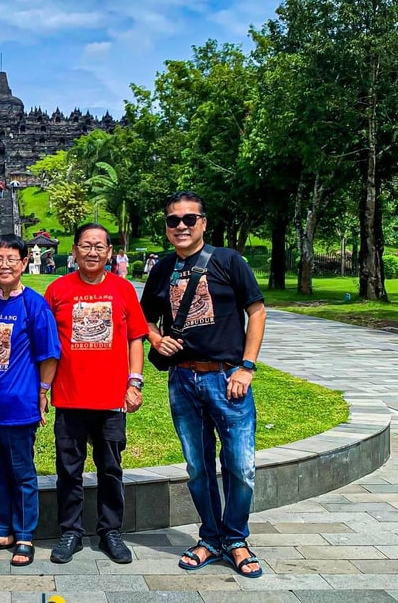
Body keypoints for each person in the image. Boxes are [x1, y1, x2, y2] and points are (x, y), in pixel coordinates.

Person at [140, 191, 266, 577]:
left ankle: (236, 538)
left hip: (228, 377)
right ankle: (211, 537)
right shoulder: (162, 268)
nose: (180, 226)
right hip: (183, 379)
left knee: (240, 465)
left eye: (189, 219)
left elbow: (256, 311)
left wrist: (247, 367)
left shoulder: (228, 260)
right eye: (173, 220)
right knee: (198, 466)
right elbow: (144, 318)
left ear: (203, 223)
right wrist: (157, 339)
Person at [43, 223, 148, 565]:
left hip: (111, 399)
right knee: (68, 469)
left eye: (99, 247)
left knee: (110, 467)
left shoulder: (122, 289)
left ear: (109, 252)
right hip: (70, 398)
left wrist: (135, 382)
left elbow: (135, 337)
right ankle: (70, 530)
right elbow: (45, 345)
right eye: (86, 246)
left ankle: (110, 531)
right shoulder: (57, 290)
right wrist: (42, 389)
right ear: (74, 250)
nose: (92, 252)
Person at [0, 234, 61, 567]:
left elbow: (49, 354)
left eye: (12, 259)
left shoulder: (34, 305)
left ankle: (24, 535)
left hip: (19, 406)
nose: (4, 264)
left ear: (24, 263)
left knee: (21, 472)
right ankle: (0, 531)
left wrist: (43, 392)